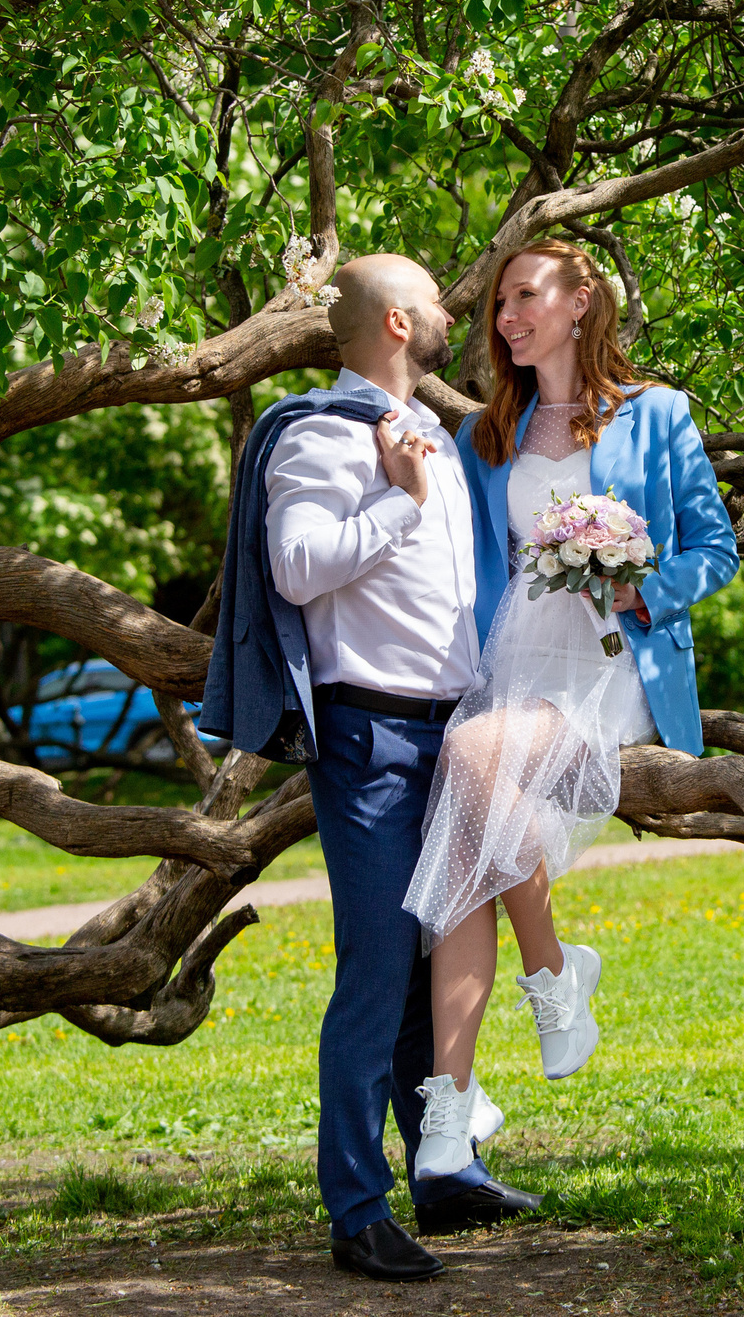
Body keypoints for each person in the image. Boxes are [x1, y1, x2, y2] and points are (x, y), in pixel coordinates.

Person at [197, 253, 541, 1284]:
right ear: (396, 323)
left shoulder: (433, 434)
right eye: (437, 302)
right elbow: (297, 567)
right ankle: (356, 1208)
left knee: (441, 970)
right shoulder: (318, 436)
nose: (452, 314)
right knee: (378, 972)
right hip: (374, 741)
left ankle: (444, 1172)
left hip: (455, 735)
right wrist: (396, 500)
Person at [402, 238, 738, 1181]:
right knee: (466, 841)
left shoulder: (657, 413)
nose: (506, 318)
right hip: (510, 660)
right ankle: (447, 1115)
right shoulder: (482, 437)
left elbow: (716, 547)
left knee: (470, 765)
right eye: (498, 304)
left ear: (580, 300)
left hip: (610, 660)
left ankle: (552, 979)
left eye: (523, 296)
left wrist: (643, 587)